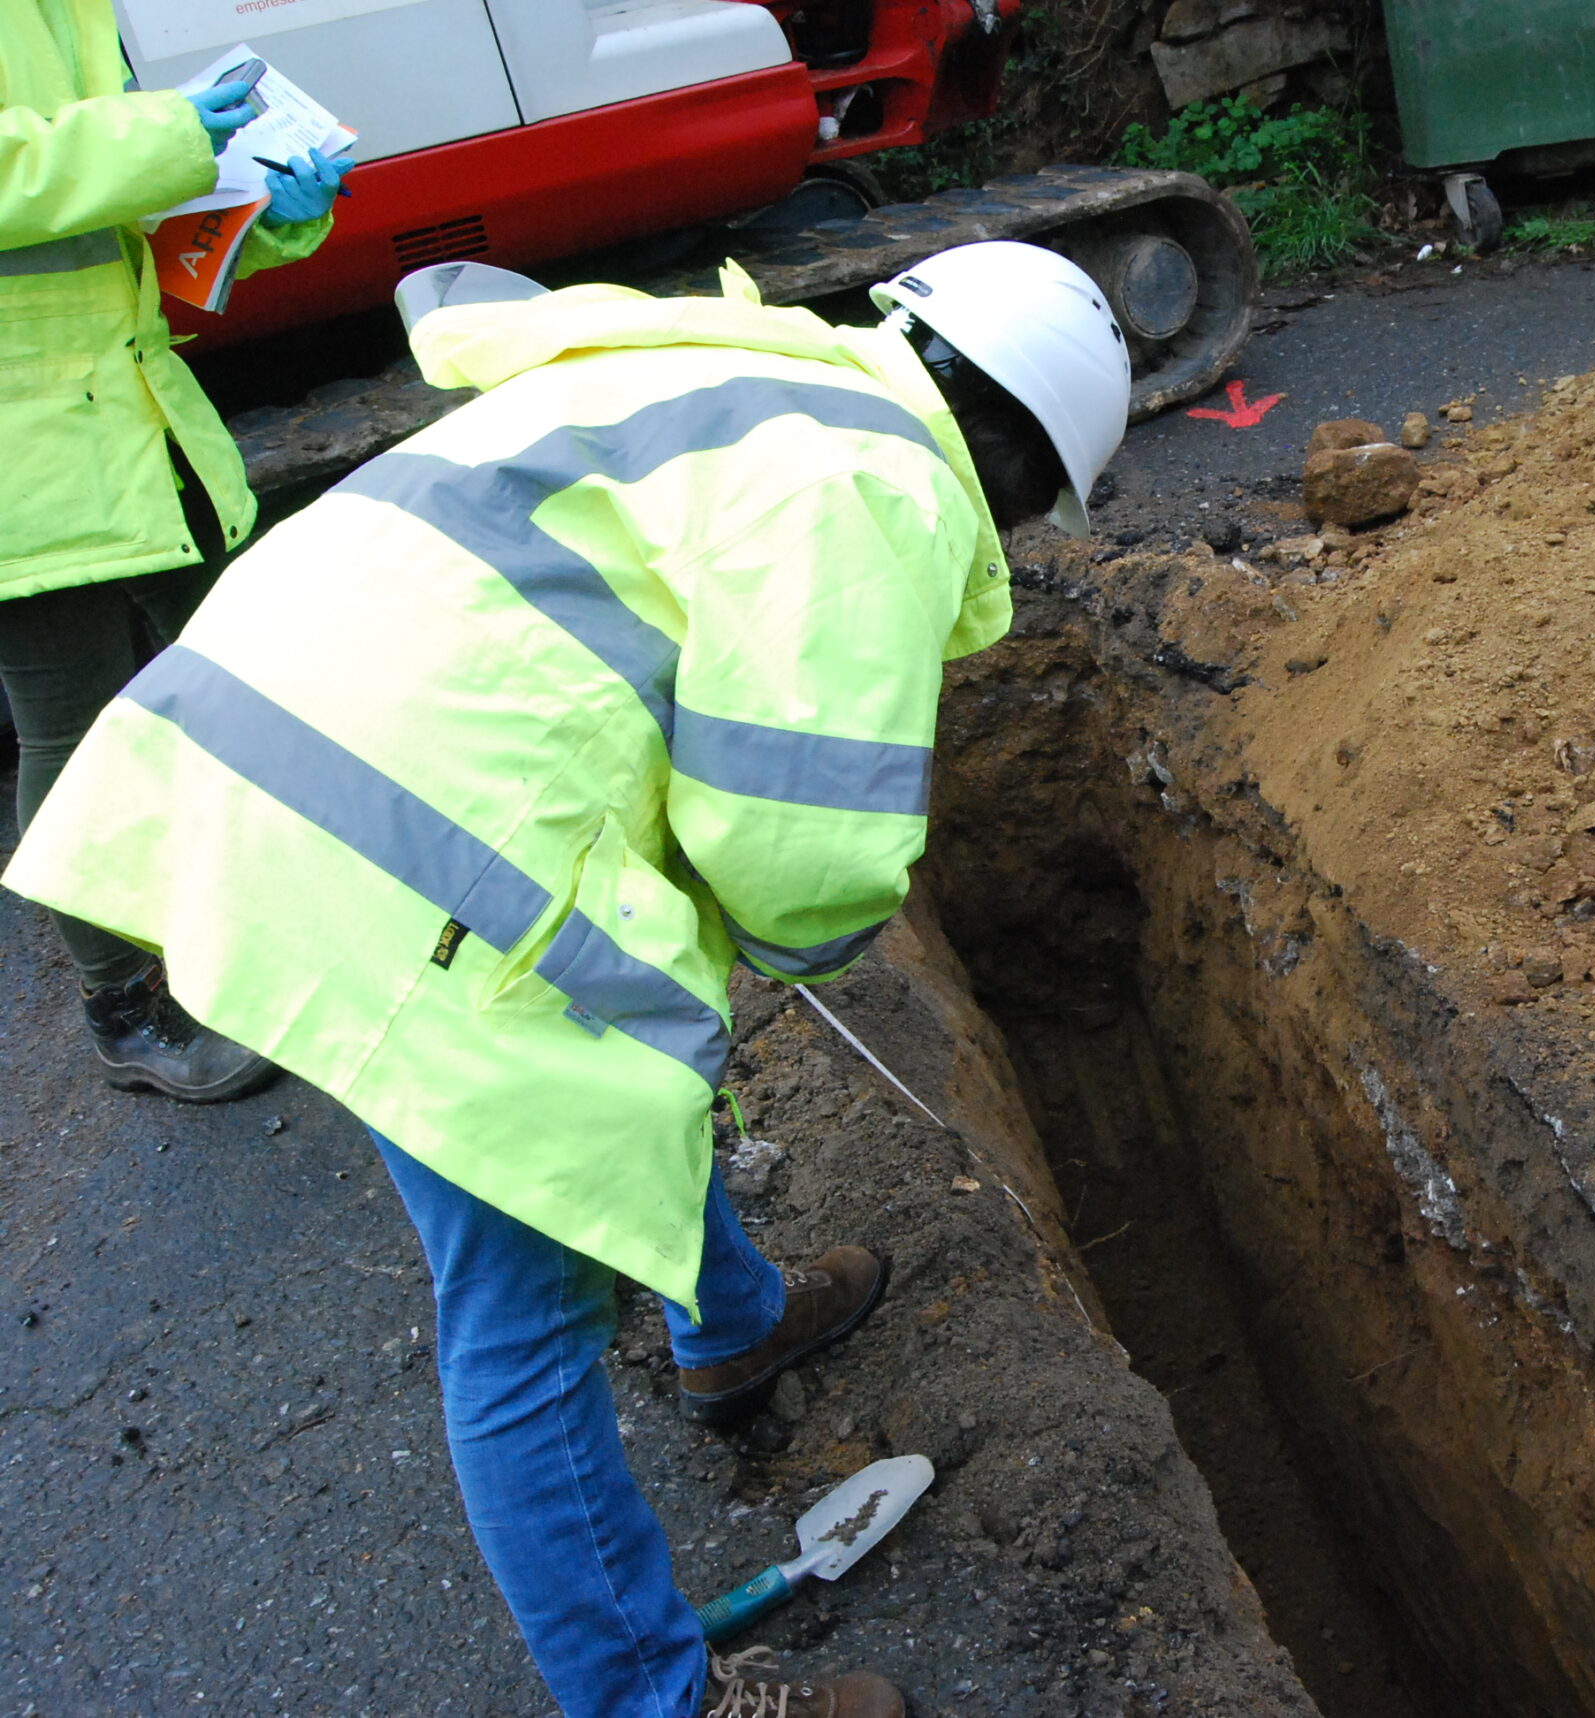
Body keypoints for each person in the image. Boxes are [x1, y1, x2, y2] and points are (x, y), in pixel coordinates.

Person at [7, 239, 1127, 1717]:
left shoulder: (745, 368)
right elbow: (798, 844)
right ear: (1013, 446)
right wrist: (809, 937)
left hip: (286, 747)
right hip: (402, 843)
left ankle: (730, 1329)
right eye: (1040, 504)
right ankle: (653, 1697)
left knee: (611, 1066)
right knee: (524, 1306)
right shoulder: (881, 487)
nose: (1022, 534)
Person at [2, 3, 346, 1101]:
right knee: (76, 729)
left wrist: (264, 205)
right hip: (29, 461)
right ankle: (126, 1007)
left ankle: (294, 935)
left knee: (259, 671)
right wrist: (169, 136)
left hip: (134, 419)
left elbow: (105, 225)